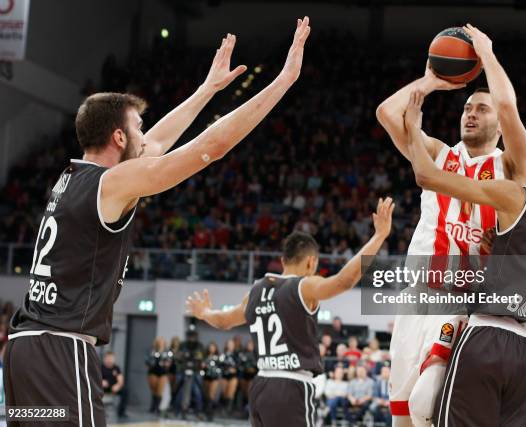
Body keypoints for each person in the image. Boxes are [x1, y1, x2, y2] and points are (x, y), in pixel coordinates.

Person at [3, 17, 311, 426]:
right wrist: (283, 82)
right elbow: (210, 146)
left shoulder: (74, 176)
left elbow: (158, 143)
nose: (145, 136)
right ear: (118, 138)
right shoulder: (111, 183)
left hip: (25, 349)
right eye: (138, 128)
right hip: (59, 350)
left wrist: (207, 90)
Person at [401, 87, 526, 426]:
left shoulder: (520, 199)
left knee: (423, 408)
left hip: (488, 333)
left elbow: (427, 177)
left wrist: (413, 127)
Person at [376, 24, 526, 427]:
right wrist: (429, 81)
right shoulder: (437, 153)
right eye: (467, 107)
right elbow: (385, 113)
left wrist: (488, 56)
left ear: (498, 124)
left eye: (481, 109)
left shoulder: (514, 167)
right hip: (416, 296)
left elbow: (508, 105)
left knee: (425, 402)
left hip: (462, 301)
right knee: (401, 414)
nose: (470, 113)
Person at [186, 198, 395, 427]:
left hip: (261, 385)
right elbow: (344, 281)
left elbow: (225, 321)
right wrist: (379, 236)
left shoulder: (257, 289)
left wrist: (204, 312)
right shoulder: (304, 286)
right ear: (311, 262)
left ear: (283, 260)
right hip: (291, 385)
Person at [146, 336, 169, 414]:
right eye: (159, 341)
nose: (161, 343)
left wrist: (166, 363)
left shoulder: (167, 351)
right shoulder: (152, 350)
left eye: (162, 341)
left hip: (163, 372)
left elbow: (170, 361)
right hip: (153, 371)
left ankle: (157, 408)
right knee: (154, 390)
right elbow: (147, 360)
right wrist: (151, 362)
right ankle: (153, 406)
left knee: (160, 390)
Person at [101, 352, 127, 418]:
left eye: (111, 358)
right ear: (105, 359)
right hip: (102, 388)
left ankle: (121, 412)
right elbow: (94, 378)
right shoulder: (100, 367)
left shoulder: (116, 368)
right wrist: (101, 382)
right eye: (108, 358)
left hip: (113, 388)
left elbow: (121, 380)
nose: (109, 360)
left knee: (125, 391)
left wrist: (118, 385)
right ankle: (100, 412)